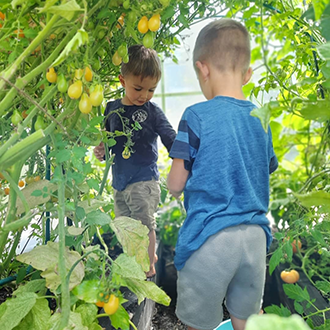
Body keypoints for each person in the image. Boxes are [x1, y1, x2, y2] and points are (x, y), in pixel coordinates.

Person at [167, 19, 278, 330]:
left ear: (203, 69)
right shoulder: (261, 118)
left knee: (199, 323)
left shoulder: (196, 115)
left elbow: (176, 183)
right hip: (255, 239)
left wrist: (173, 186)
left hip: (211, 238)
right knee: (245, 320)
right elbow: (264, 168)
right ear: (248, 74)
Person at [94, 45, 176, 278]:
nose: (144, 95)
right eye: (138, 88)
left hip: (144, 180)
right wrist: (101, 150)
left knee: (143, 226)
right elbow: (107, 142)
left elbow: (171, 137)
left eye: (151, 89)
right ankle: (136, 260)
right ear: (122, 80)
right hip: (119, 181)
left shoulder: (152, 111)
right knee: (125, 227)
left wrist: (185, 158)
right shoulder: (111, 109)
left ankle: (148, 266)